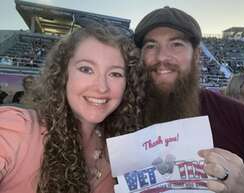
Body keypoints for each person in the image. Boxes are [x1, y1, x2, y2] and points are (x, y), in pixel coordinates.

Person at [134, 6, 244, 193]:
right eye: (151, 46)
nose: (162, 57)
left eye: (176, 44)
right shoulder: (120, 115)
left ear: (196, 56)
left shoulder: (240, 115)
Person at [0, 24, 144, 193]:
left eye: (115, 74)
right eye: (86, 69)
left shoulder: (118, 149)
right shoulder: (17, 129)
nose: (102, 88)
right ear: (63, 74)